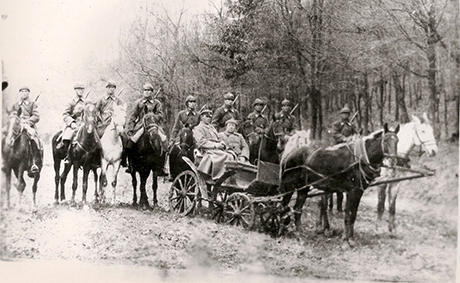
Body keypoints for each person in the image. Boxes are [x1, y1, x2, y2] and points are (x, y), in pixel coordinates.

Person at [125, 83, 167, 174]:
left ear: (152, 92)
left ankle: (162, 167)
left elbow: (160, 115)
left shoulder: (157, 103)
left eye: (149, 91)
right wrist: (130, 129)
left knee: (164, 141)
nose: (147, 92)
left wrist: (152, 116)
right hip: (141, 125)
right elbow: (133, 116)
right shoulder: (138, 103)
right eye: (145, 90)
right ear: (143, 92)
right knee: (130, 142)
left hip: (153, 125)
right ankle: (130, 164)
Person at [193, 109, 235, 180]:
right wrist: (215, 145)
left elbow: (219, 137)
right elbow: (201, 142)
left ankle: (229, 178)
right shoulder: (198, 128)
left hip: (216, 149)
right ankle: (219, 177)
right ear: (202, 117)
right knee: (227, 156)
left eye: (210, 117)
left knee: (232, 155)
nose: (209, 119)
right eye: (207, 116)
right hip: (207, 150)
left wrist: (222, 143)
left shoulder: (211, 127)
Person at [10, 86, 43, 176]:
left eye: (26, 91)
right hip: (17, 126)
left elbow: (36, 116)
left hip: (29, 126)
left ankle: (33, 163)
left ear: (28, 93)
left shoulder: (33, 104)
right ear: (20, 93)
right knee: (8, 136)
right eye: (22, 91)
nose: (24, 93)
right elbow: (12, 115)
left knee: (34, 139)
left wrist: (27, 122)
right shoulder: (15, 105)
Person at [60, 83, 87, 163]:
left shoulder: (86, 102)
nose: (80, 91)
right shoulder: (71, 102)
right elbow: (65, 114)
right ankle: (67, 156)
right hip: (74, 124)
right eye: (78, 89)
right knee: (67, 136)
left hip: (84, 124)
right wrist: (71, 123)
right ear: (75, 90)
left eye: (82, 89)